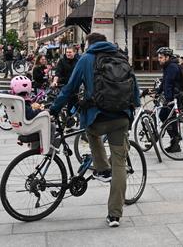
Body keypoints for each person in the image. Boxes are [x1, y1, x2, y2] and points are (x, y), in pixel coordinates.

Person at [50, 32, 140, 228]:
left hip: (97, 117)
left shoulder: (86, 59)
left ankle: (101, 168)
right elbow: (135, 87)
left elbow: (70, 88)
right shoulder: (121, 57)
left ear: (89, 44)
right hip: (121, 117)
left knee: (91, 131)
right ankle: (114, 215)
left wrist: (54, 109)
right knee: (119, 164)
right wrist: (134, 108)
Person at [156, 47, 183, 151]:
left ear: (167, 57)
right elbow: (164, 82)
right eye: (158, 57)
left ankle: (175, 139)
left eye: (161, 57)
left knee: (166, 117)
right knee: (168, 119)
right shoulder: (168, 66)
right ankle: (175, 141)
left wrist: (168, 100)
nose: (159, 59)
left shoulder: (172, 67)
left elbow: (168, 84)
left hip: (174, 98)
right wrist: (158, 92)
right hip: (172, 98)